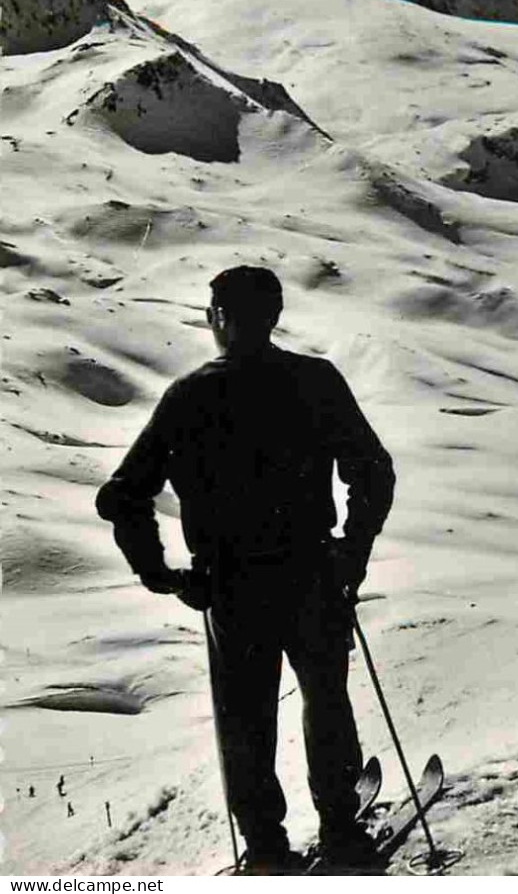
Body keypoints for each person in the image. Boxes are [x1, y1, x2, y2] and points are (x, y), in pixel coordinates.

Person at [96, 267, 395, 874]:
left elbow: (123, 496)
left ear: (219, 320)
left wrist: (165, 576)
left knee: (246, 718)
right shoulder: (315, 379)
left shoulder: (190, 396)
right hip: (313, 568)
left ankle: (264, 850)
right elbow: (373, 471)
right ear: (276, 314)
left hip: (231, 582)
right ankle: (341, 828)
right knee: (327, 699)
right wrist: (351, 551)